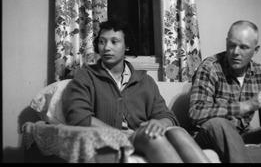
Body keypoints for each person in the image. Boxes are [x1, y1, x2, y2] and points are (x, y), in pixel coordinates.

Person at [62, 19, 212, 163]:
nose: (107, 47)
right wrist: (117, 135)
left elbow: (167, 116)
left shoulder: (145, 81)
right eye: (102, 41)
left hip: (138, 137)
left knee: (178, 132)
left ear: (127, 46)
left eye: (114, 41)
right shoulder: (86, 75)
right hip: (110, 140)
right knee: (152, 137)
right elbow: (78, 116)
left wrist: (160, 123)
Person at [188, 20, 261, 163]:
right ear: (226, 42)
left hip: (242, 137)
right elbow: (196, 113)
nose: (235, 52)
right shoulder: (210, 67)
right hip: (210, 136)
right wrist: (247, 105)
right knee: (219, 124)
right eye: (232, 45)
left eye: (244, 47)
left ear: (255, 50)